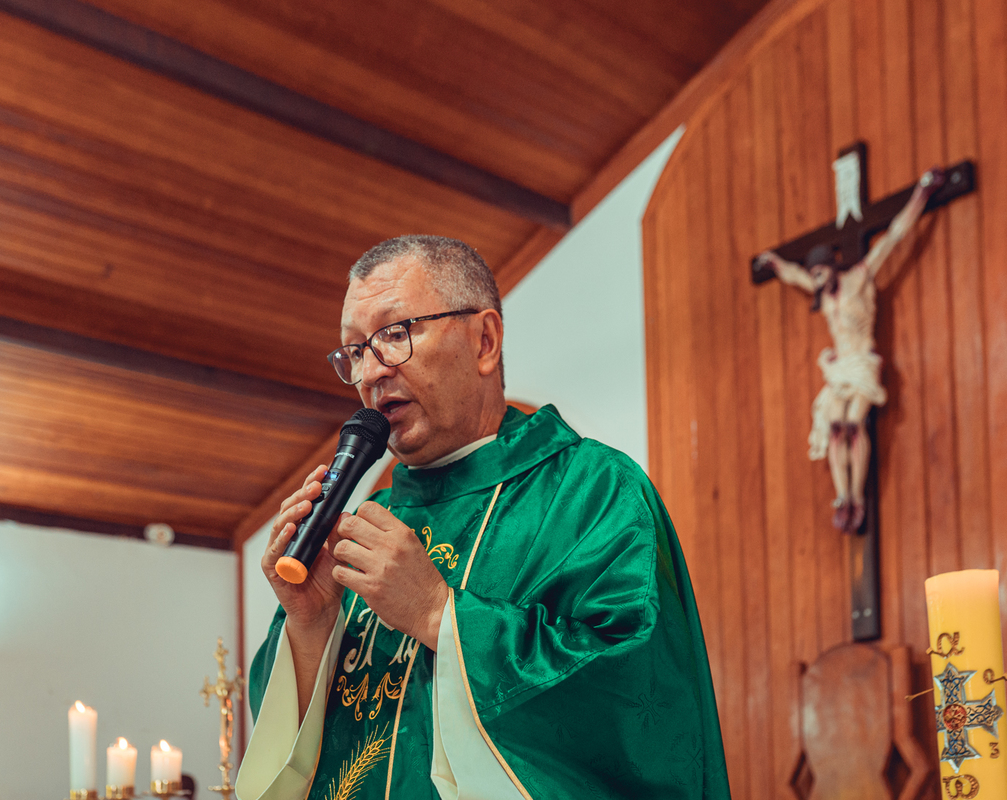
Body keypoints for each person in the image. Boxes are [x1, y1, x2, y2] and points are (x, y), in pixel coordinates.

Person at [238, 235, 731, 799]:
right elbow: (290, 755)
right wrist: (310, 625)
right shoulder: (363, 524)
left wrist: (439, 614)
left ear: (485, 341)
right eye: (354, 351)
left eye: (395, 334)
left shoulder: (592, 491)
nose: (370, 373)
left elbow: (639, 700)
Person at [754, 168, 945, 532]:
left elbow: (894, 236)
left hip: (862, 361)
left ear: (831, 267)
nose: (817, 281)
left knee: (854, 424)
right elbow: (794, 275)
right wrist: (776, 263)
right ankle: (842, 497)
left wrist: (921, 194)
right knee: (834, 428)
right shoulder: (822, 294)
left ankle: (857, 495)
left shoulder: (859, 277)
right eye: (814, 277)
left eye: (820, 274)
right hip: (840, 366)